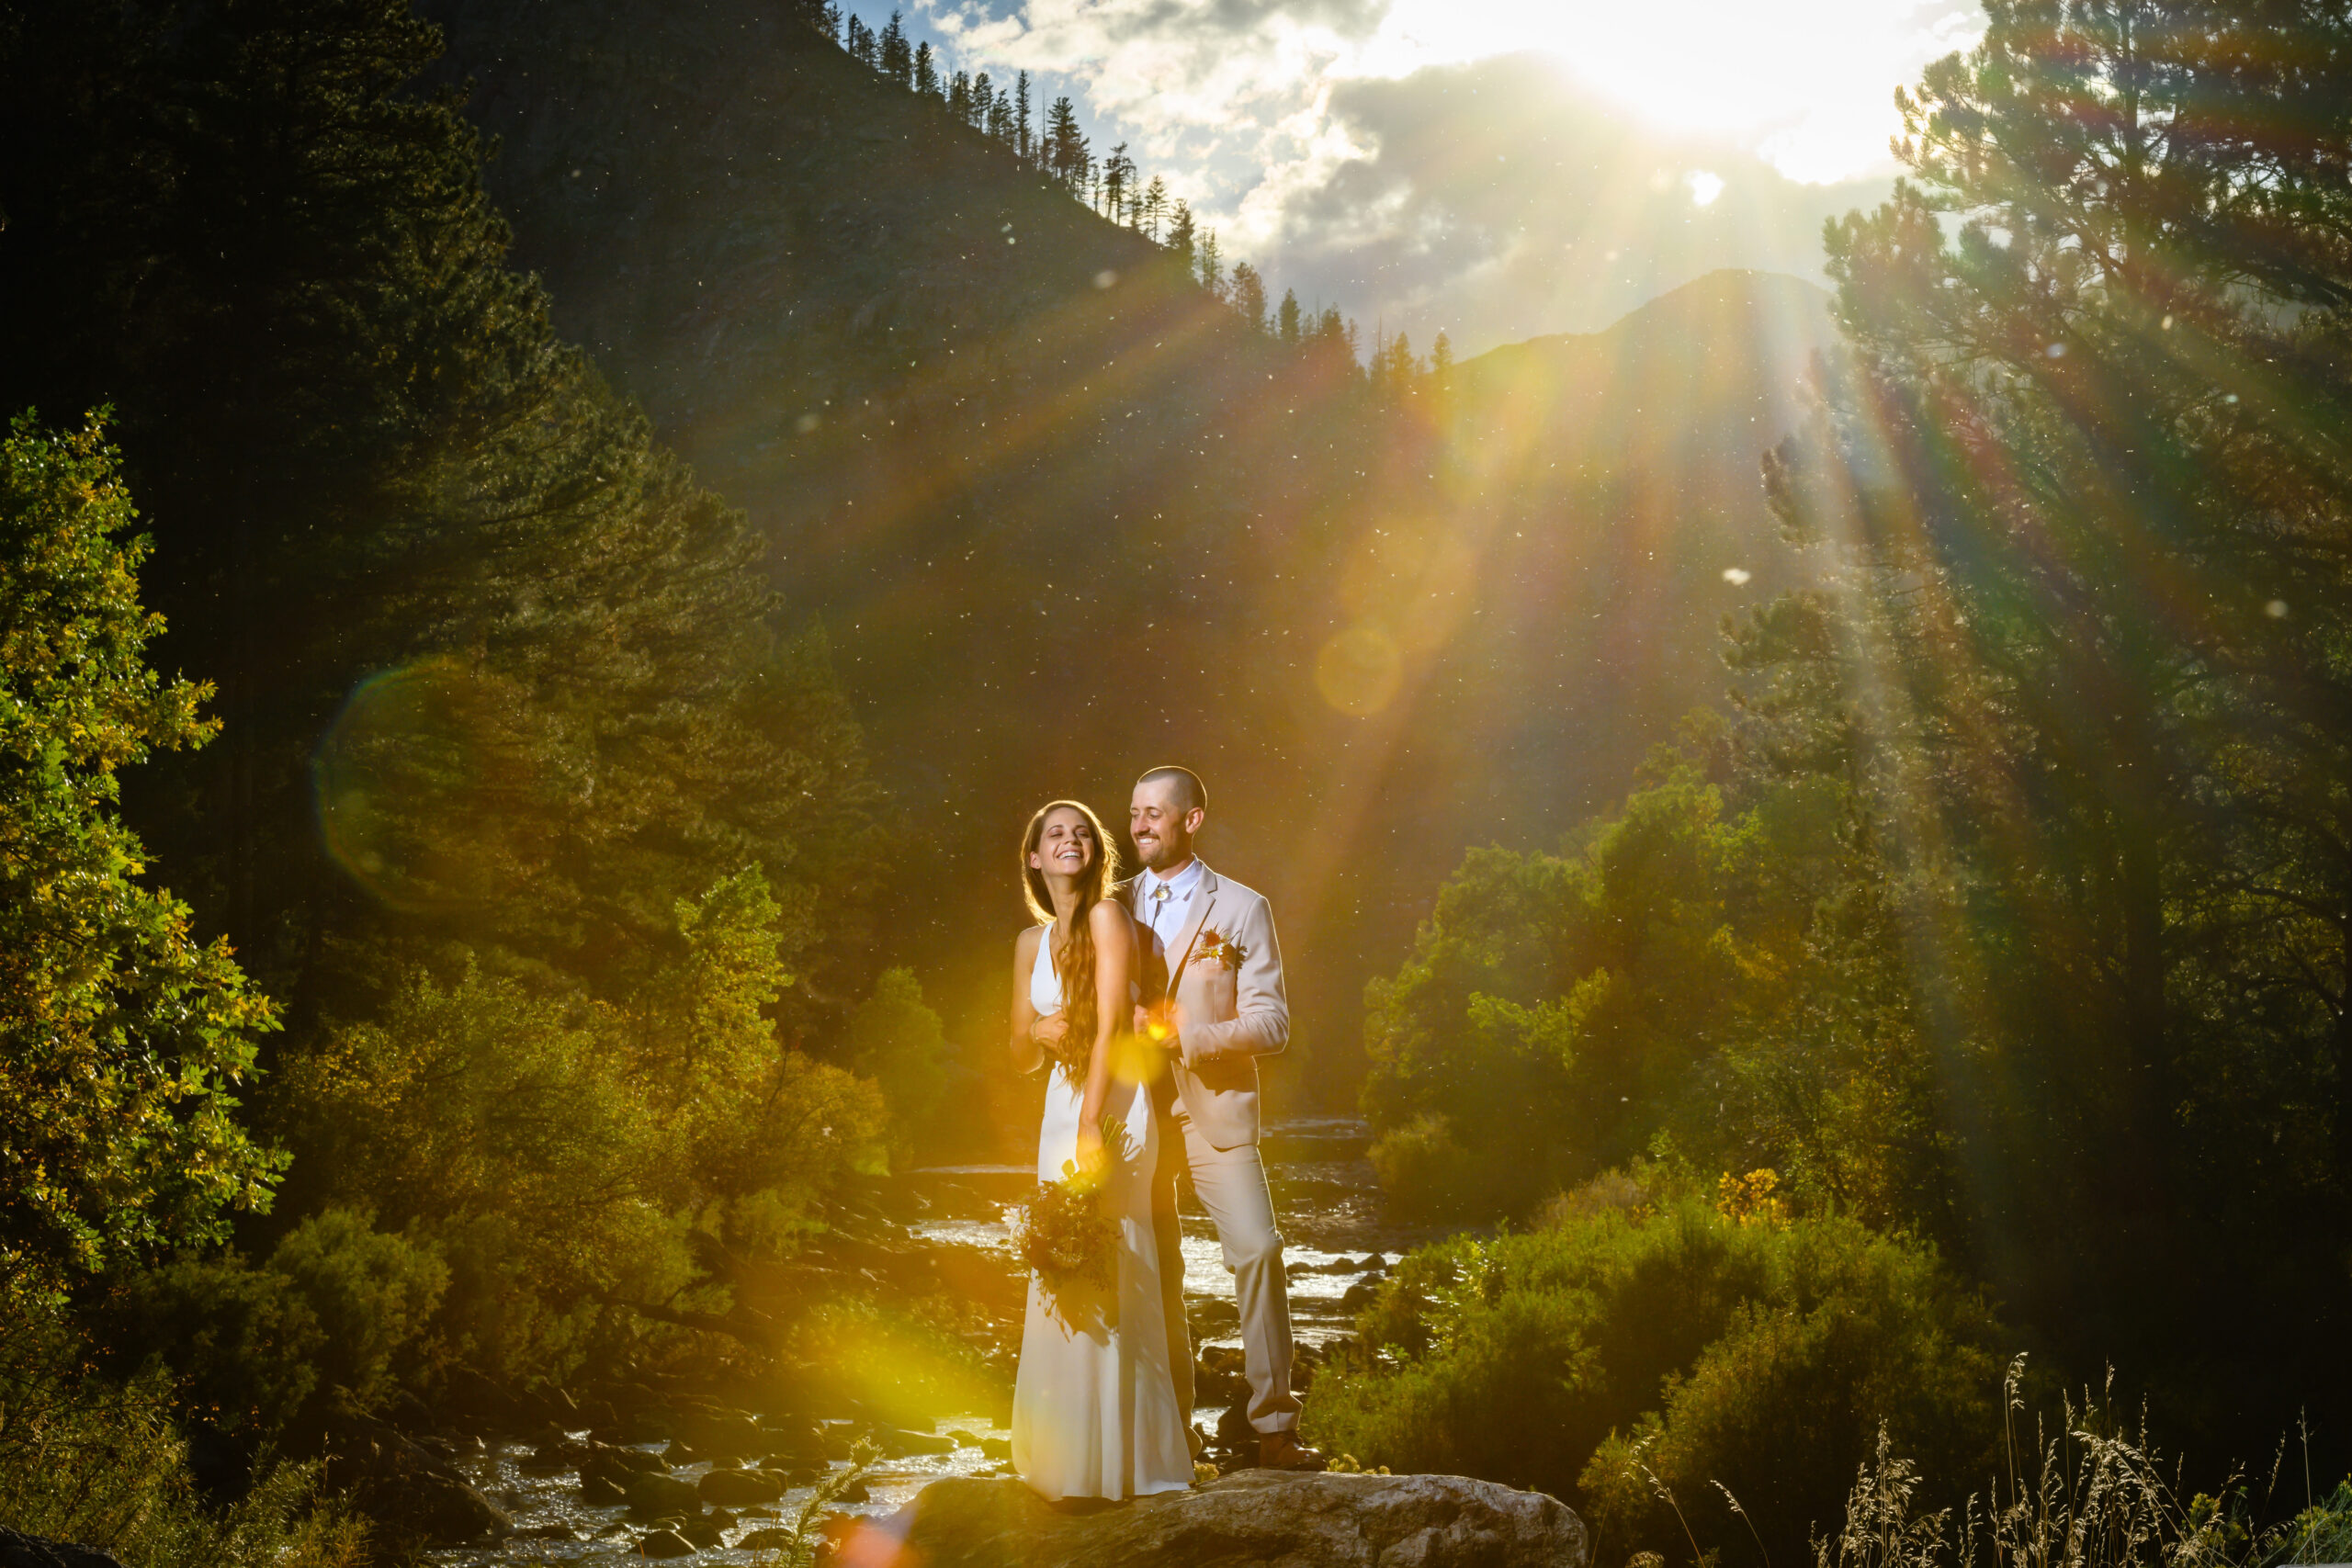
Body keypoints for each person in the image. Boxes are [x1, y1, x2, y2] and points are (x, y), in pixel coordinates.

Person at [1125, 765, 1325, 1472]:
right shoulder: (1110, 907)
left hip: (1214, 1110)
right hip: (1134, 1115)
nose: (1142, 824)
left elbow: (1272, 1022)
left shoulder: (1242, 908)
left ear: (1191, 820)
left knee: (1258, 1248)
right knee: (1152, 1271)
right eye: (1135, 813)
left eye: (1155, 812)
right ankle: (1172, 1435)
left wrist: (1192, 1038)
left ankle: (1273, 1427)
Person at [1005, 799, 1193, 1503]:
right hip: (1058, 1103)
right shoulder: (1030, 942)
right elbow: (1019, 1052)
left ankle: (1128, 1458)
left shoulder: (1110, 919)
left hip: (1109, 1103)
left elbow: (1115, 1024)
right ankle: (1065, 1459)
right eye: (1055, 832)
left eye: (1082, 832)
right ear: (1034, 856)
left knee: (1115, 1250)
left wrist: (1089, 1124)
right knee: (1062, 1260)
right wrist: (1042, 1033)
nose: (1070, 839)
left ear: (1096, 853)